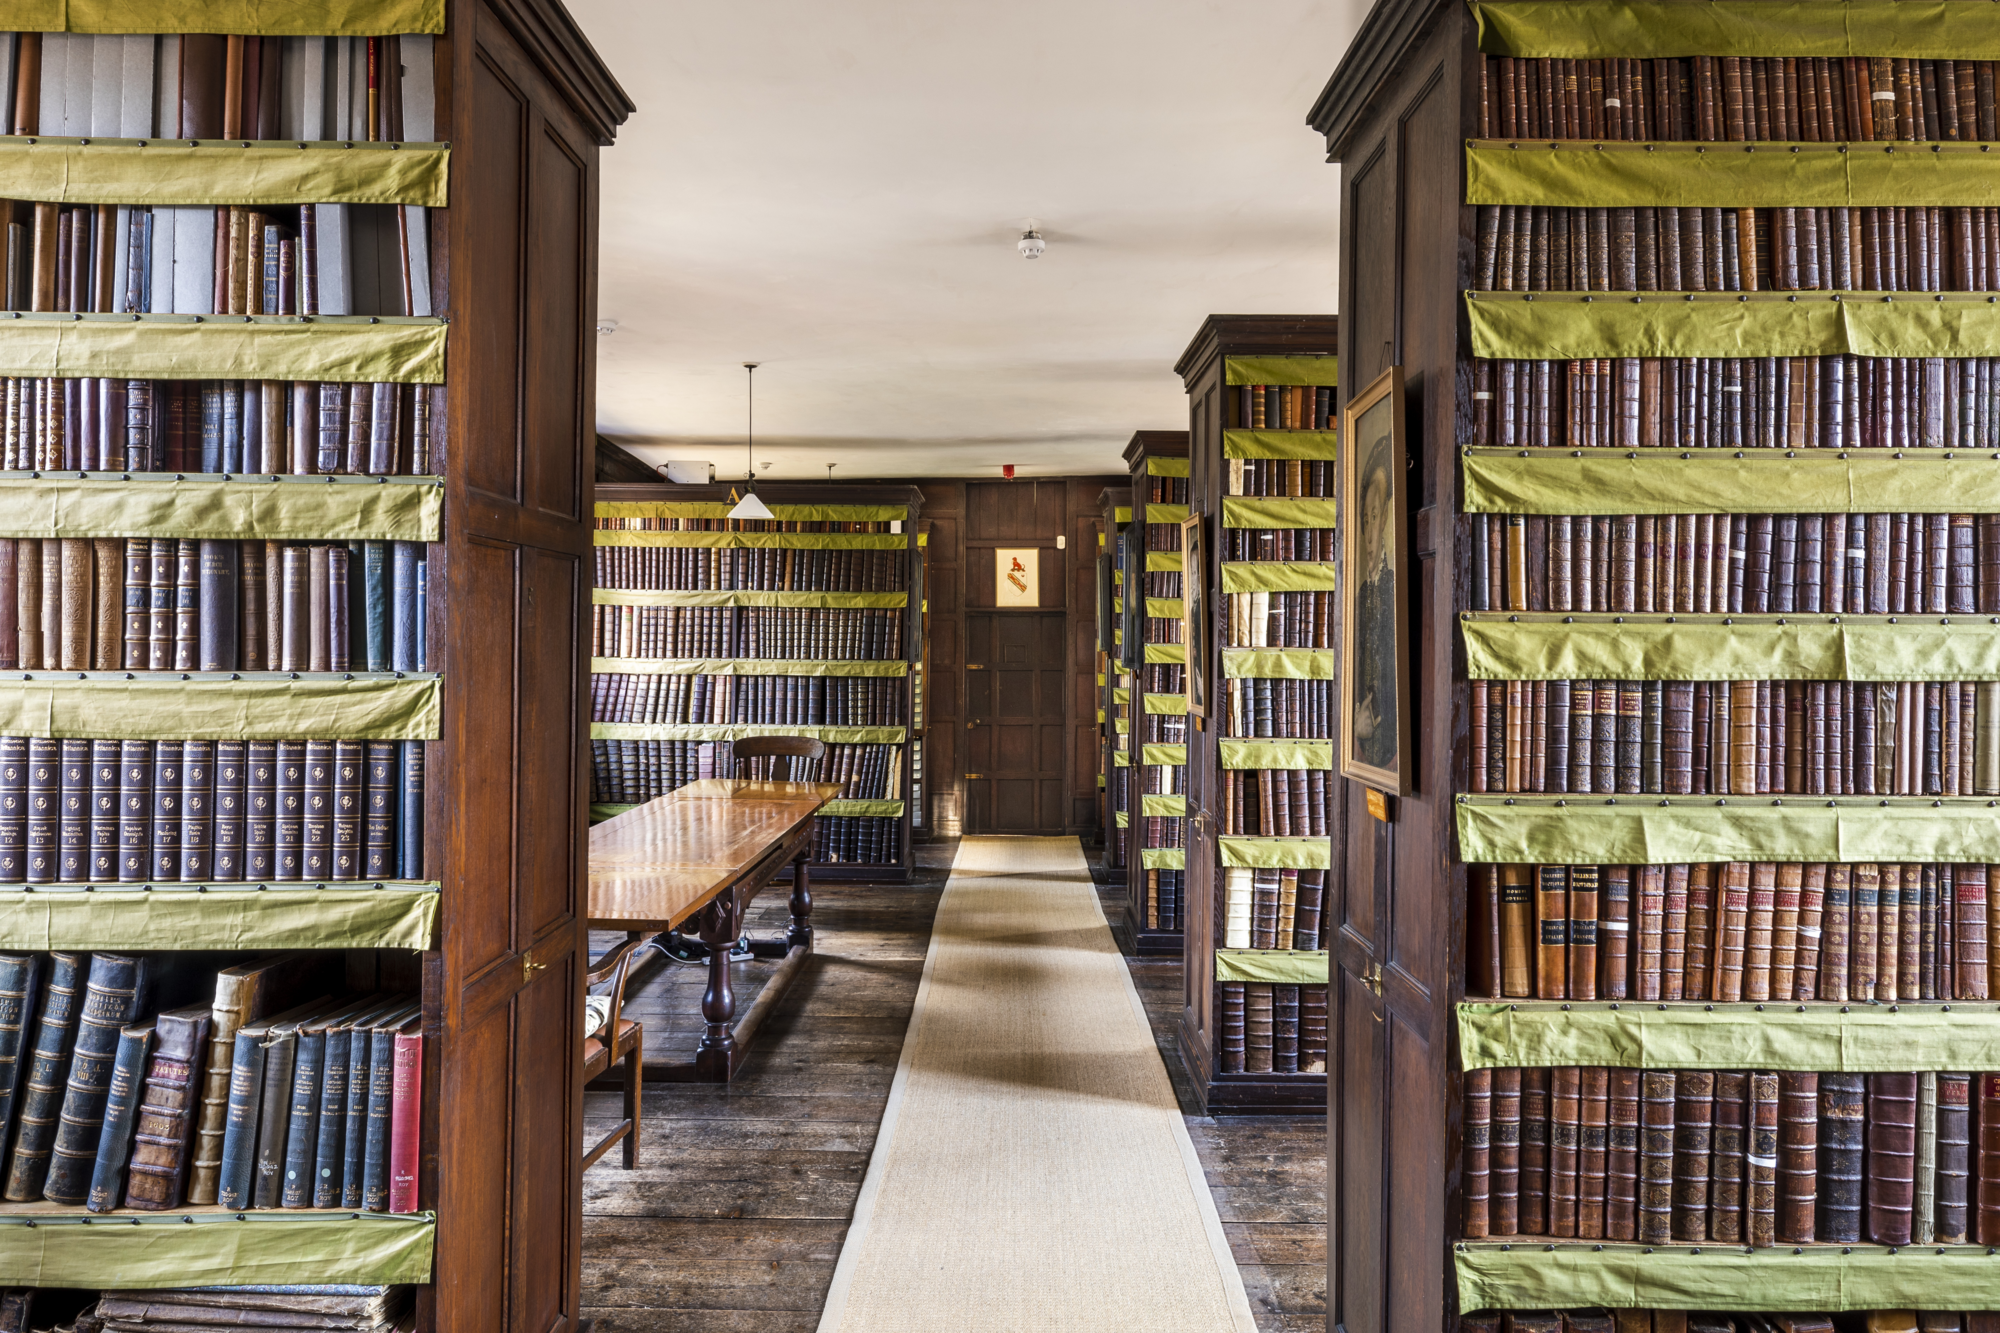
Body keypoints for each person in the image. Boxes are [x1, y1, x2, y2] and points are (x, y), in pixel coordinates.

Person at [1351, 433, 1397, 773]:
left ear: (1385, 522)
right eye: (1364, 518)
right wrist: (1357, 725)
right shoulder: (1360, 597)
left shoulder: (1394, 591)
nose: (1369, 530)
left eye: (1375, 516)